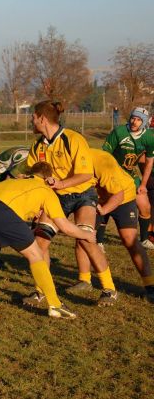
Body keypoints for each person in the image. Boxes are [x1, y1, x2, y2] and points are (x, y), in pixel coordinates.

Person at [0, 162, 95, 319]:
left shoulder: (14, 181)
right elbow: (64, 226)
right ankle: (55, 305)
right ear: (49, 178)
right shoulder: (45, 190)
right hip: (1, 211)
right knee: (36, 254)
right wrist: (86, 234)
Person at [25, 100, 117, 308]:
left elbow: (85, 174)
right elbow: (34, 175)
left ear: (42, 118)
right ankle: (40, 291)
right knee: (40, 243)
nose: (31, 120)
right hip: (54, 198)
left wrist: (61, 183)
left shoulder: (73, 139)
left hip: (82, 195)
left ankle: (109, 289)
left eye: (33, 116)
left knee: (86, 239)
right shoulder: (38, 146)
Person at [87, 148, 153, 301]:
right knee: (85, 237)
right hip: (98, 198)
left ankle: (150, 285)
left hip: (122, 196)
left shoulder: (100, 160)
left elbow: (118, 194)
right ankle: (84, 280)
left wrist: (103, 210)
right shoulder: (66, 159)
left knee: (129, 239)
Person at [102, 107, 154, 249]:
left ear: (143, 123)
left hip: (131, 175)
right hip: (113, 175)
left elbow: (149, 162)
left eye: (138, 119)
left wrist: (143, 184)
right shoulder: (119, 132)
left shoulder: (149, 137)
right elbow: (104, 155)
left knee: (145, 206)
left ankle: (143, 240)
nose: (134, 121)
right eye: (133, 118)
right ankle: (99, 240)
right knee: (105, 204)